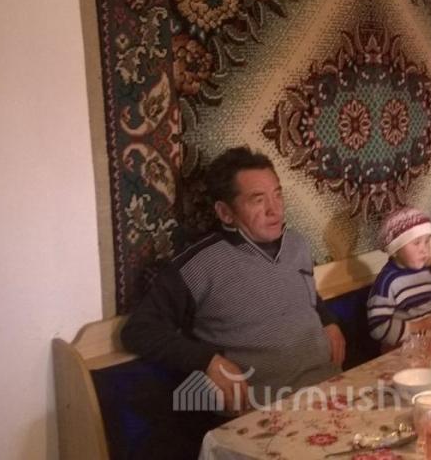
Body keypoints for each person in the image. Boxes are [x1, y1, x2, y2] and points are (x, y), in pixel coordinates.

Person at [121, 147, 346, 412]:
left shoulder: (297, 244)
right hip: (268, 408)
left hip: (332, 387)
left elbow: (305, 293)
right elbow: (139, 330)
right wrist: (208, 361)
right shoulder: (198, 265)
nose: (275, 210)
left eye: (277, 195)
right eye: (258, 200)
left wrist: (327, 319)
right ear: (226, 213)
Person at [367, 207, 431, 349]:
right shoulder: (387, 282)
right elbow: (378, 327)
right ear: (395, 250)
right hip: (400, 350)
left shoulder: (427, 274)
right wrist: (417, 326)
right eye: (416, 243)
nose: (424, 249)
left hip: (428, 343)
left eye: (427, 241)